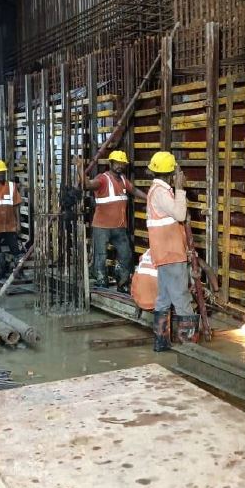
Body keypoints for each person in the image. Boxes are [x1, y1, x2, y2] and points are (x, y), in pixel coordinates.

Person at [146, 151, 197, 351]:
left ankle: (161, 343)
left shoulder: (157, 190)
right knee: (182, 299)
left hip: (164, 253)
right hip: (171, 254)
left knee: (164, 299)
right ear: (170, 173)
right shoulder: (160, 192)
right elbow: (180, 214)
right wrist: (180, 189)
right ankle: (190, 349)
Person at [82, 150, 146, 292]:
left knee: (126, 254)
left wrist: (150, 198)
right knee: (101, 255)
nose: (120, 166)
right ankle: (101, 281)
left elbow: (134, 190)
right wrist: (81, 170)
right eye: (117, 163)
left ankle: (122, 284)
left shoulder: (123, 180)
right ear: (110, 163)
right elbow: (88, 185)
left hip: (119, 227)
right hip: (102, 227)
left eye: (122, 164)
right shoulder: (103, 179)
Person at [130, 249, 157, 315]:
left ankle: (138, 308)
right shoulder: (170, 254)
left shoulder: (147, 252)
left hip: (138, 301)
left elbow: (134, 281)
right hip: (155, 304)